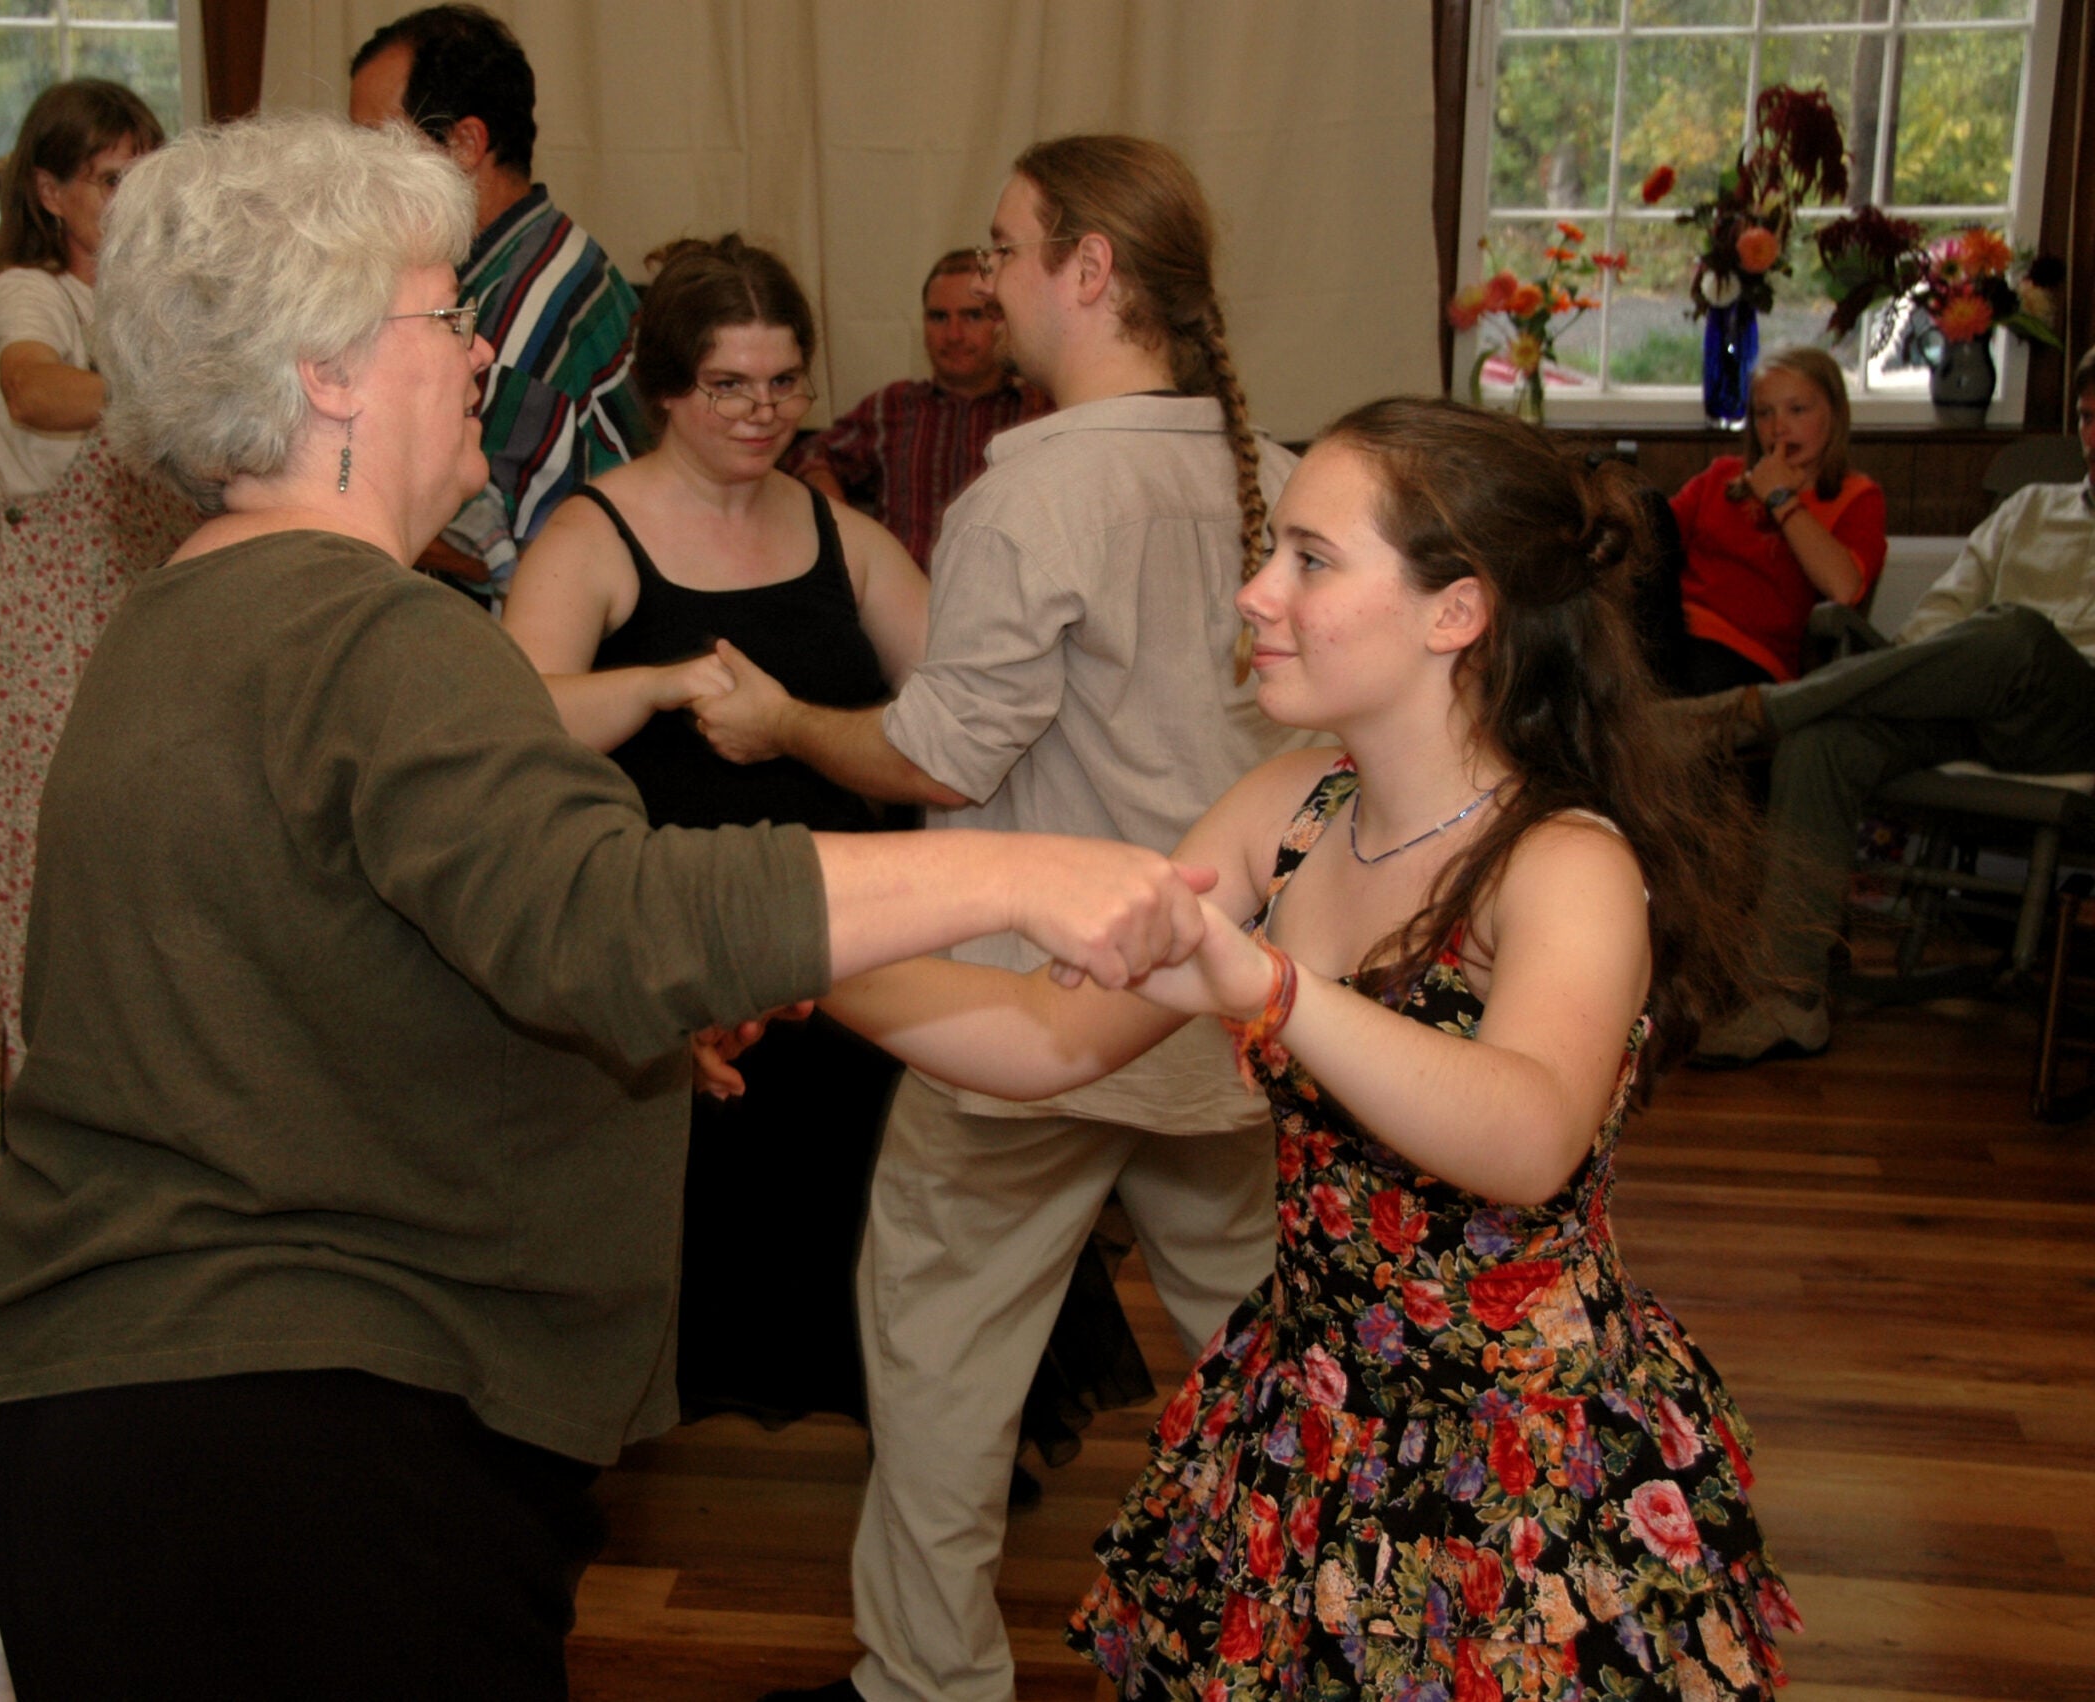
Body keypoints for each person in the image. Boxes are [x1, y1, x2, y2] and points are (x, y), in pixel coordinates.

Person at [0, 113, 1218, 1702]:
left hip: (141, 1403)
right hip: (297, 1422)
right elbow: (605, 913)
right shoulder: (373, 631)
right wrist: (1026, 871)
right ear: (328, 370)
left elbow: (314, 974)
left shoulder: (189, 607)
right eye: (444, 312)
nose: (483, 348)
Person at [828, 397, 1800, 1700]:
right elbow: (1046, 1039)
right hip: (1309, 1410)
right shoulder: (1288, 809)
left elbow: (1527, 1136)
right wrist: (797, 957)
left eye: (1310, 559)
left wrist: (1270, 984)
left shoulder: (1562, 859)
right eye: (1270, 552)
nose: (1254, 593)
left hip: (1518, 1448)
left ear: (1456, 612)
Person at [723, 136, 1302, 1702]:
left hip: (1038, 1008)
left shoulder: (1036, 488)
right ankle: (1321, 1639)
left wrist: (786, 726)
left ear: (1087, 270)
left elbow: (938, 755)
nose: (984, 278)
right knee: (1271, 1355)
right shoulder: (1277, 473)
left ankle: (928, 1684)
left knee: (941, 1359)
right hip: (1221, 1002)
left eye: (1003, 246)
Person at [502, 233, 928, 1423]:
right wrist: (655, 685)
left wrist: (807, 728)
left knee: (860, 1230)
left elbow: (948, 715)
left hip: (837, 933)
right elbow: (515, 717)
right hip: (677, 946)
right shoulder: (595, 534)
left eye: (783, 382)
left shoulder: (841, 535)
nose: (761, 412)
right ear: (664, 388)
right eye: (727, 385)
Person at [1693, 346, 2095, 1065]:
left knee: (2017, 633)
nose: (2094, 436)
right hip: (1975, 706)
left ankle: (1758, 710)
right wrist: (1908, 681)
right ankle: (1789, 999)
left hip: (2075, 717)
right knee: (1821, 744)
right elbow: (1945, 610)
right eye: (2088, 419)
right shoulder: (2032, 507)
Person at [0, 80, 196, 1084]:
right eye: (109, 179)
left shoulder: (151, 310)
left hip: (136, 638)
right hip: (45, 657)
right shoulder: (26, 293)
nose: (133, 199)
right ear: (50, 193)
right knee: (39, 889)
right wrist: (176, 400)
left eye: (145, 176)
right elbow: (35, 389)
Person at [350, 3, 648, 604]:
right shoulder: (553, 248)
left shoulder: (508, 322)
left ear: (465, 144)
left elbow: (487, 551)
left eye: (377, 146)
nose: (359, 174)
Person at [785, 249, 1053, 569]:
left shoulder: (1040, 411)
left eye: (972, 316)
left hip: (1000, 590)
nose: (953, 335)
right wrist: (836, 515)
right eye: (938, 317)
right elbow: (808, 453)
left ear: (1000, 320)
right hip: (897, 586)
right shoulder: (894, 405)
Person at [1668, 346, 1885, 694]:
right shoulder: (1724, 475)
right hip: (1674, 626)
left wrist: (1780, 498)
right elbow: (1654, 534)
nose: (1778, 428)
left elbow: (1844, 588)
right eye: (1765, 413)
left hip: (1749, 660)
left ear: (1835, 413)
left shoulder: (1857, 497)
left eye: (1797, 410)